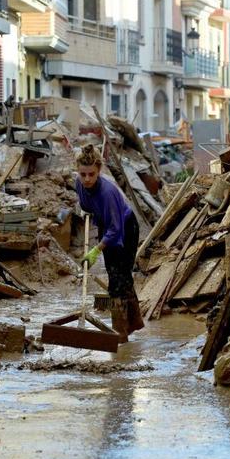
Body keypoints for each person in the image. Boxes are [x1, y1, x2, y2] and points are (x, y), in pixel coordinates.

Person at [75, 145, 144, 341]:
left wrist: (96, 250)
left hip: (126, 229)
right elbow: (85, 203)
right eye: (83, 174)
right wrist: (86, 209)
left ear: (99, 171)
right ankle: (134, 323)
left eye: (91, 174)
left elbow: (116, 230)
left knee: (117, 281)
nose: (87, 179)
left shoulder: (108, 192)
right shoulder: (79, 183)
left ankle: (120, 335)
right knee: (119, 276)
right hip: (107, 225)